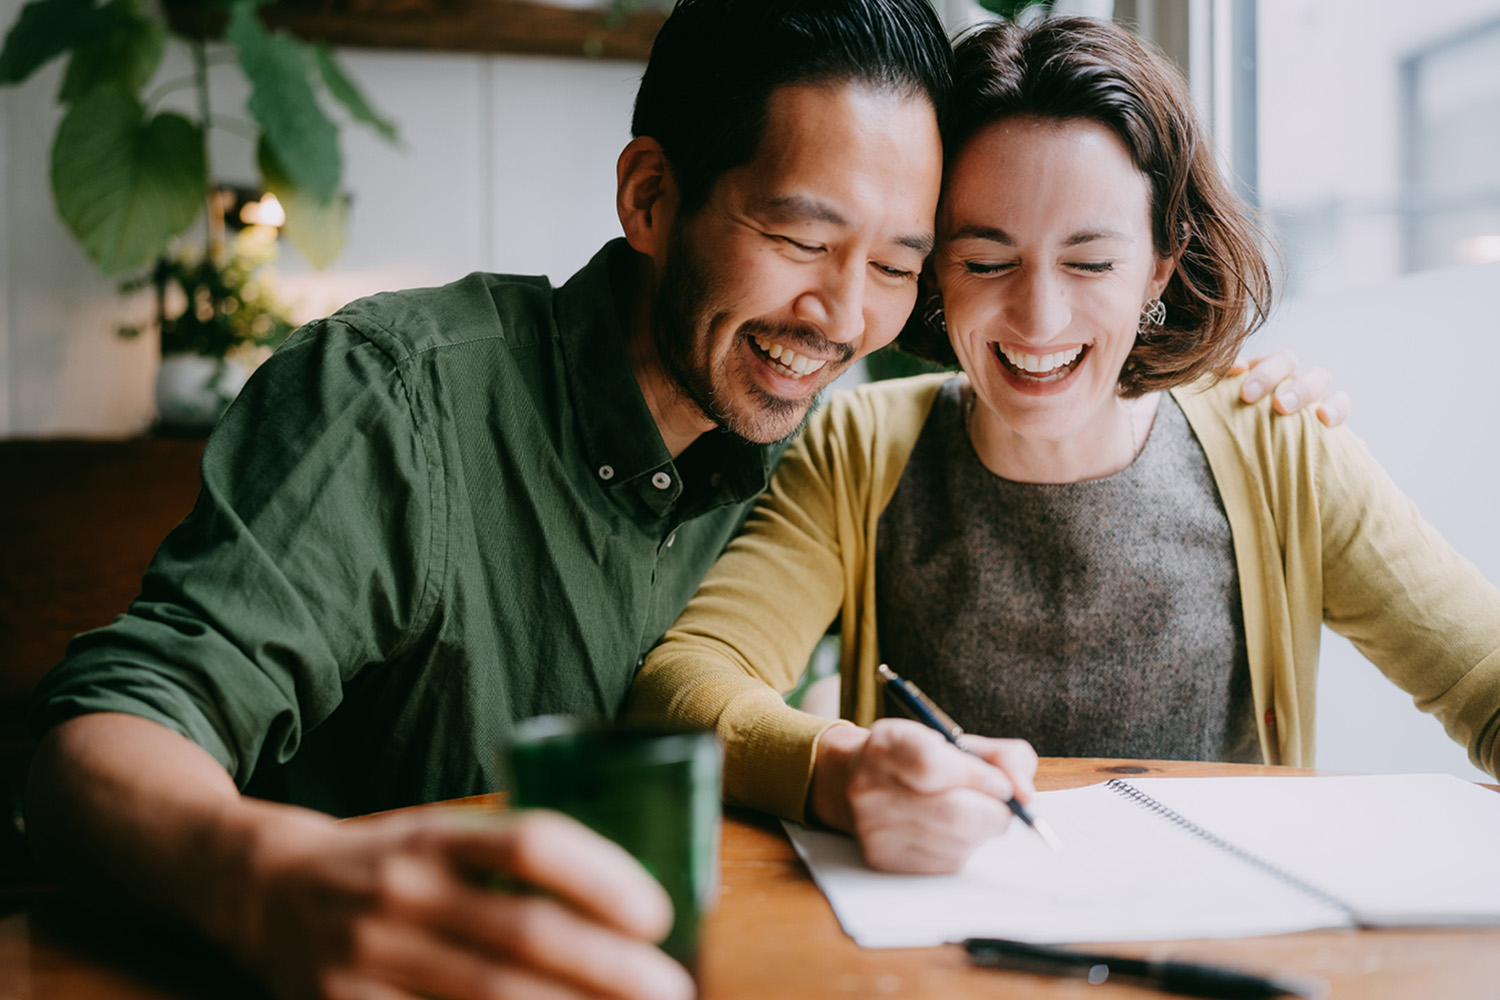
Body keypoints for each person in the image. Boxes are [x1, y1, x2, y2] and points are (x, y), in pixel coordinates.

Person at [23, 2, 955, 997]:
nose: (847, 316)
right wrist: (269, 879)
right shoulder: (395, 394)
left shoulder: (806, 445)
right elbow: (108, 735)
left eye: (898, 266)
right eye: (800, 238)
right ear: (648, 197)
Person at [627, 15, 1500, 877]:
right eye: (985, 260)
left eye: (1090, 263)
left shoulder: (1279, 445)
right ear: (934, 272)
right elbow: (688, 682)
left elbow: (1484, 679)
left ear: (1160, 263)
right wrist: (840, 768)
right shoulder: (859, 448)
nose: (1039, 319)